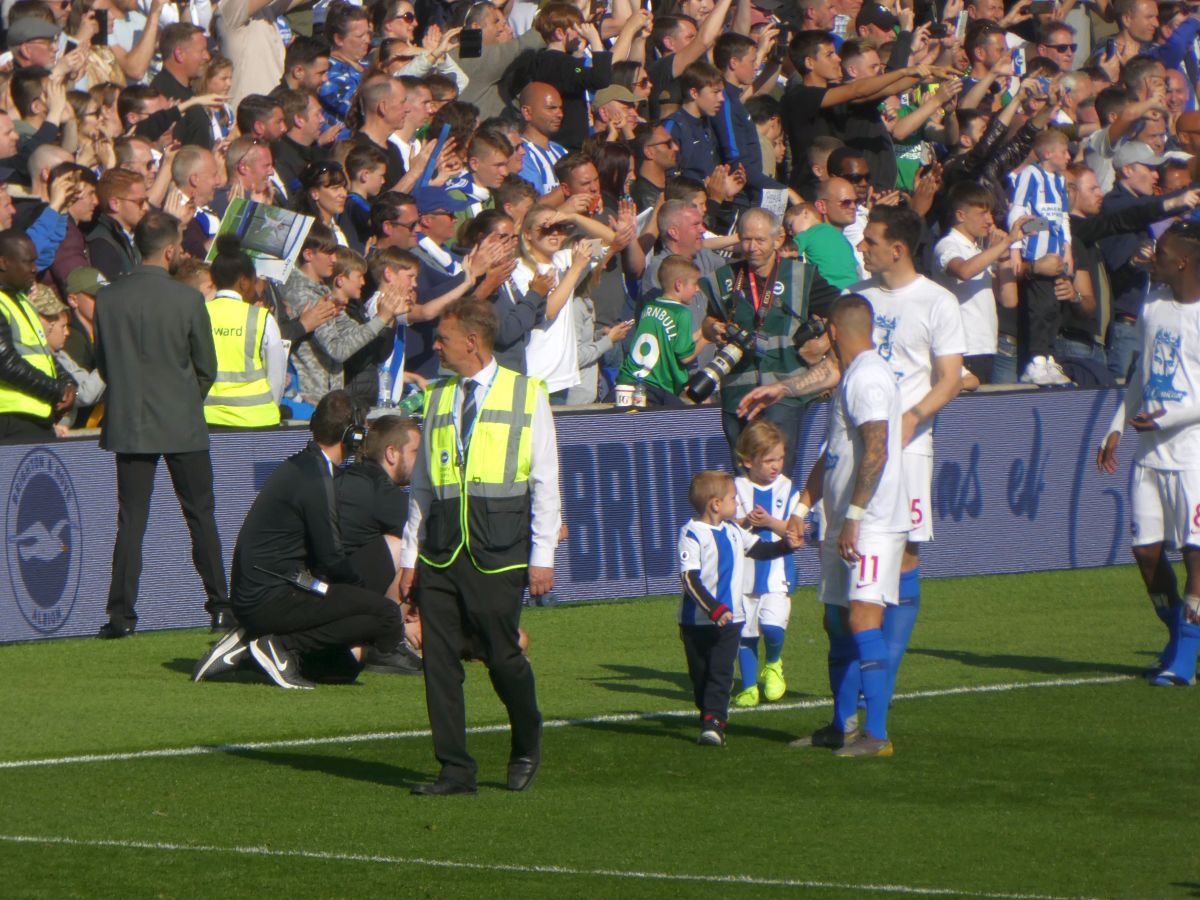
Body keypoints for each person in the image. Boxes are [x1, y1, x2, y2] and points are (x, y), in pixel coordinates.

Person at [399, 298, 561, 795]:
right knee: (439, 661)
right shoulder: (440, 397)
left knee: (502, 654)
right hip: (443, 552)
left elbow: (545, 480)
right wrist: (410, 556)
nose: (435, 345)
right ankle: (455, 769)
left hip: (499, 551)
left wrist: (543, 556)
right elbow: (423, 484)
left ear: (471, 341)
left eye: (443, 337)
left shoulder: (528, 393)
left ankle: (526, 737)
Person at [194, 391, 410, 687]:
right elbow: (331, 558)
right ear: (353, 436)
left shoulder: (308, 466)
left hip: (266, 591)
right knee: (384, 614)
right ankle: (278, 646)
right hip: (272, 596)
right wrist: (362, 592)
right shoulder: (317, 478)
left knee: (342, 669)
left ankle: (251, 647)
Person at [94, 211, 231, 638]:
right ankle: (221, 607)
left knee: (131, 520)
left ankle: (120, 616)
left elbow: (104, 366)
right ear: (171, 250)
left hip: (130, 420)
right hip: (182, 421)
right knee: (200, 517)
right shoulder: (188, 300)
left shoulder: (107, 298)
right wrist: (185, 400)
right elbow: (206, 367)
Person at [790, 293, 911, 757]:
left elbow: (876, 449)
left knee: (862, 615)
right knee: (836, 618)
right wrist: (804, 507)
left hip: (873, 521)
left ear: (834, 332)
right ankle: (841, 725)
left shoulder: (869, 378)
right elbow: (835, 450)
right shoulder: (850, 378)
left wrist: (856, 517)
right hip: (844, 519)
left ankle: (876, 734)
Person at [1098, 221, 1200, 686]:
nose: (1149, 258)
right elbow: (1143, 370)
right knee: (1145, 554)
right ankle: (1179, 636)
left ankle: (1185, 656)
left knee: (1196, 555)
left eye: (1158, 253)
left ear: (1182, 260)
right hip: (1148, 451)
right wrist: (1118, 425)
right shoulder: (1154, 303)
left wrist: (1168, 418)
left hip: (1191, 453)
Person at [701, 208, 836, 474]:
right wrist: (711, 327)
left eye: (760, 240)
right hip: (738, 389)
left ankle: (776, 517)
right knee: (744, 472)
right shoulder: (724, 278)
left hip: (784, 387)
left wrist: (824, 344)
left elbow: (845, 310)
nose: (752, 248)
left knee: (777, 472)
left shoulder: (801, 275)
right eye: (746, 239)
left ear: (777, 239)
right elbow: (708, 321)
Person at [677, 469, 800, 747]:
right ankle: (707, 711)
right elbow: (689, 579)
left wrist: (786, 546)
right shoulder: (692, 533)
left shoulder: (734, 531)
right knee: (701, 676)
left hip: (732, 619)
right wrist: (713, 609)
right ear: (715, 504)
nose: (738, 504)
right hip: (696, 622)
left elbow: (760, 550)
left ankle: (715, 723)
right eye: (733, 498)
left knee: (721, 672)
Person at [731, 419, 804, 708]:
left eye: (780, 459)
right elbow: (726, 524)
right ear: (748, 461)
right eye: (769, 460)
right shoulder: (735, 488)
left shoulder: (788, 490)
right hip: (743, 574)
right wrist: (745, 520)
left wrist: (770, 522)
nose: (776, 466)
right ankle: (748, 686)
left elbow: (795, 531)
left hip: (777, 573)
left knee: (772, 627)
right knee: (745, 633)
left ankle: (773, 663)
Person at [935, 182, 1026, 385]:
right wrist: (1006, 241)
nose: (989, 220)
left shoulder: (978, 251)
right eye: (982, 213)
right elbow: (963, 270)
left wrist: (1003, 257)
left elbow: (1009, 299)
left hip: (985, 345)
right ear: (961, 215)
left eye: (990, 213)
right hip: (963, 346)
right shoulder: (948, 244)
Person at [1007, 129, 1074, 385]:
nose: (1068, 157)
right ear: (1048, 153)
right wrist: (1015, 249)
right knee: (1039, 306)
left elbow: (1063, 217)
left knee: (1052, 308)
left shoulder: (1059, 181)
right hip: (1036, 250)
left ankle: (1047, 356)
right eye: (1064, 152)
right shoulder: (1030, 175)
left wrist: (1067, 248)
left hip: (1056, 252)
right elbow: (1018, 212)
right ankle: (1035, 359)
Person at [0, 230, 75, 441]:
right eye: (27, 262)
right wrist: (55, 390)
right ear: (3, 262)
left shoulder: (22, 301)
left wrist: (68, 385)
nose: (34, 269)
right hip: (10, 419)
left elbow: (43, 353)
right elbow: (5, 363)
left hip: (36, 416)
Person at [202, 236, 285, 428]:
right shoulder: (262, 318)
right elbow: (276, 376)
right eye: (255, 282)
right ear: (244, 282)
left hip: (207, 418)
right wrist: (271, 407)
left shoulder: (198, 313)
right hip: (257, 420)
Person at [615, 253, 699, 405]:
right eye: (694, 284)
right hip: (655, 387)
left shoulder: (650, 306)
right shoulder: (682, 313)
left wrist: (699, 334)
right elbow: (684, 356)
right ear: (679, 284)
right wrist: (706, 336)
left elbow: (669, 342)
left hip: (628, 380)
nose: (698, 289)